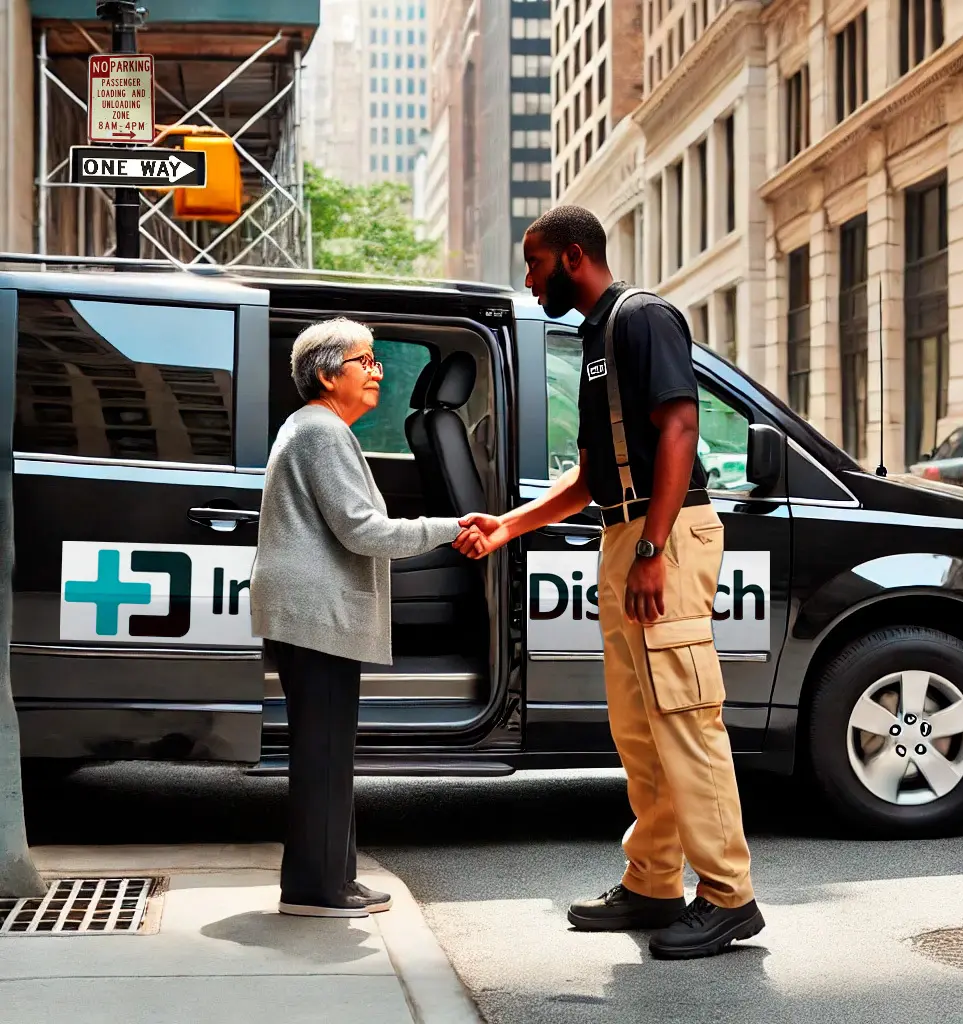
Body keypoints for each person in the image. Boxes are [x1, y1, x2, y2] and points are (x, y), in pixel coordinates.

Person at [456, 205, 765, 960]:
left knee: (687, 718)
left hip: (668, 533)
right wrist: (505, 526)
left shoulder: (643, 318)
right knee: (640, 730)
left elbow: (681, 427)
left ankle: (729, 896)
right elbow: (592, 478)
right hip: (624, 533)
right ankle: (654, 880)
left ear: (571, 257)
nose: (528, 282)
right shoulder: (596, 339)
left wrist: (656, 546)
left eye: (533, 264)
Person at [250, 317, 493, 918]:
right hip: (315, 614)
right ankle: (314, 890)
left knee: (328, 751)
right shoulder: (320, 431)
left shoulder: (320, 428)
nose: (377, 370)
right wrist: (453, 527)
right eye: (366, 360)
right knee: (323, 753)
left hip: (315, 612)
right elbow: (362, 530)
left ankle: (336, 879)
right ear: (329, 374)